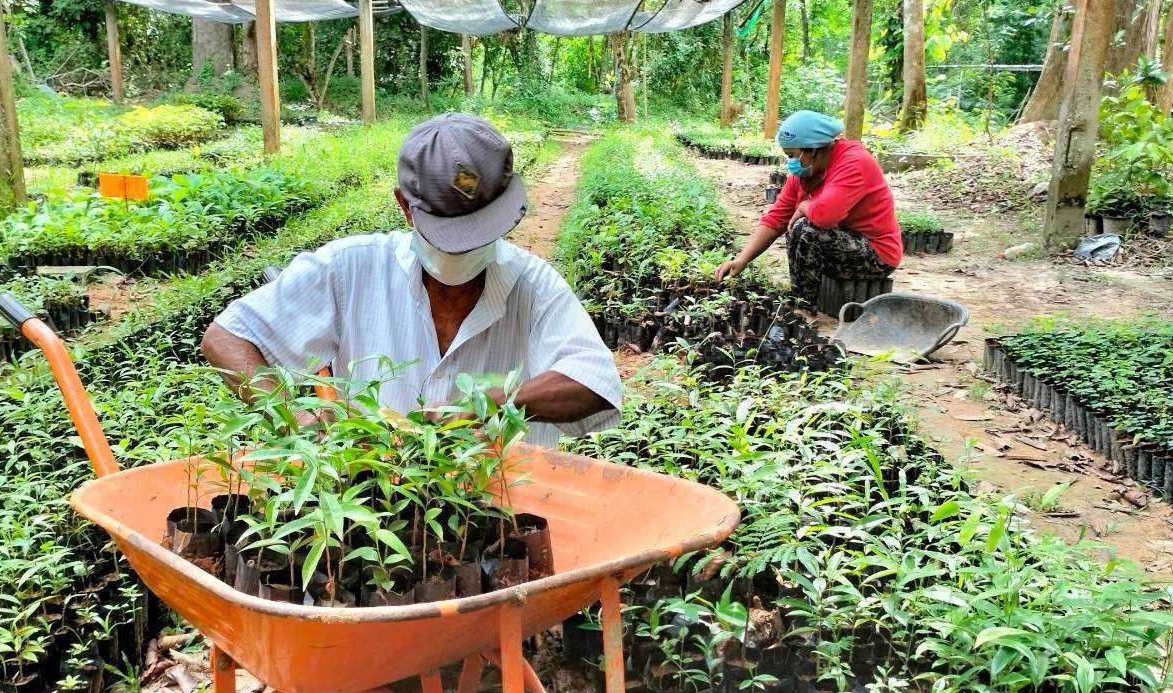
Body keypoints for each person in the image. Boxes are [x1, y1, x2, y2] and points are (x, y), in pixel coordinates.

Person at [203, 112, 621, 446]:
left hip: (502, 501)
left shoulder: (534, 286)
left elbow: (594, 382)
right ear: (404, 206)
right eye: (449, 235)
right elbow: (227, 337)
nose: (462, 252)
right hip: (376, 496)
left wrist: (492, 402)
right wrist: (291, 414)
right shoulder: (350, 268)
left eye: (477, 232)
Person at [714, 110, 902, 306]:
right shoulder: (804, 174)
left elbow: (825, 216)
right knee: (794, 226)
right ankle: (800, 298)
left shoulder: (854, 162)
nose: (791, 163)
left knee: (806, 227)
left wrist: (804, 206)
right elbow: (776, 219)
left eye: (793, 156)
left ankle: (804, 305)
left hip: (876, 255)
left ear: (813, 150)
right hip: (842, 245)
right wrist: (742, 260)